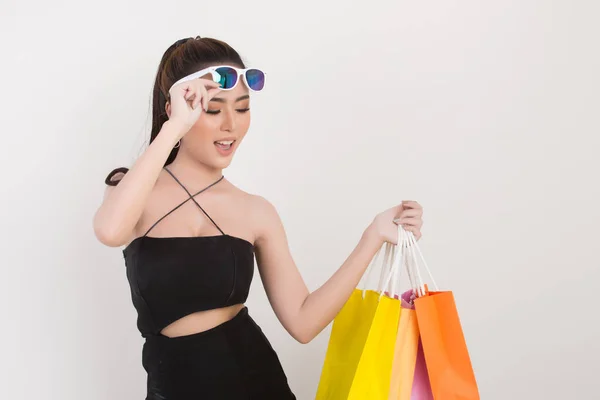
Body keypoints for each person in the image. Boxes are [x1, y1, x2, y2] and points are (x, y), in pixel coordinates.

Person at [93, 35, 424, 400]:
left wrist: (372, 236)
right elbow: (110, 231)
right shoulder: (132, 191)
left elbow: (303, 321)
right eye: (214, 109)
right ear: (175, 107)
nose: (231, 126)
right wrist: (174, 126)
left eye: (243, 108)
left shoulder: (255, 211)